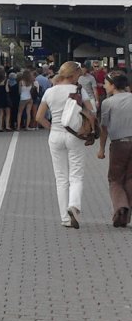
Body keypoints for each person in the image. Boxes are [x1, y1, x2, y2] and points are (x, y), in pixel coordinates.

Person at [36, 60, 93, 229]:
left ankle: (65, 219)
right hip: (75, 135)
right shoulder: (79, 91)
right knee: (76, 175)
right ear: (74, 75)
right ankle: (73, 205)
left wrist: (51, 127)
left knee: (61, 178)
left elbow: (39, 117)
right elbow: (91, 111)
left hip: (55, 135)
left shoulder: (50, 91)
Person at [96, 71, 132, 227]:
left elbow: (104, 128)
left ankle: (120, 206)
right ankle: (125, 215)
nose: (104, 86)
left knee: (115, 179)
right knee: (130, 178)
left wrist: (101, 149)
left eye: (106, 83)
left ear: (113, 85)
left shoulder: (108, 103)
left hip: (119, 144)